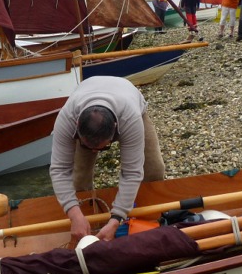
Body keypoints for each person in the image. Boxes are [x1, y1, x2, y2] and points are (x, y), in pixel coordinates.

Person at [49, 76, 165, 242]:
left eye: (103, 147)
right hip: (86, 101)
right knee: (79, 180)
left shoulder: (130, 119)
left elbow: (131, 172)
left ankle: (146, 219)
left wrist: (116, 218)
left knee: (154, 169)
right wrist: (74, 215)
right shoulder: (66, 119)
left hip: (128, 102)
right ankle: (84, 225)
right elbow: (60, 170)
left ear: (116, 130)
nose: (96, 152)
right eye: (90, 147)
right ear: (76, 125)